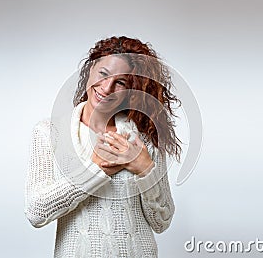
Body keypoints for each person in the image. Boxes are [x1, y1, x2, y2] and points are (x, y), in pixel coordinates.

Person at [24, 36, 182, 257]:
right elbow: (36, 211)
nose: (107, 88)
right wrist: (96, 168)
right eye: (103, 74)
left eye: (120, 82)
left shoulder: (143, 139)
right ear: (90, 70)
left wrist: (146, 170)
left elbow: (162, 222)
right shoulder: (50, 133)